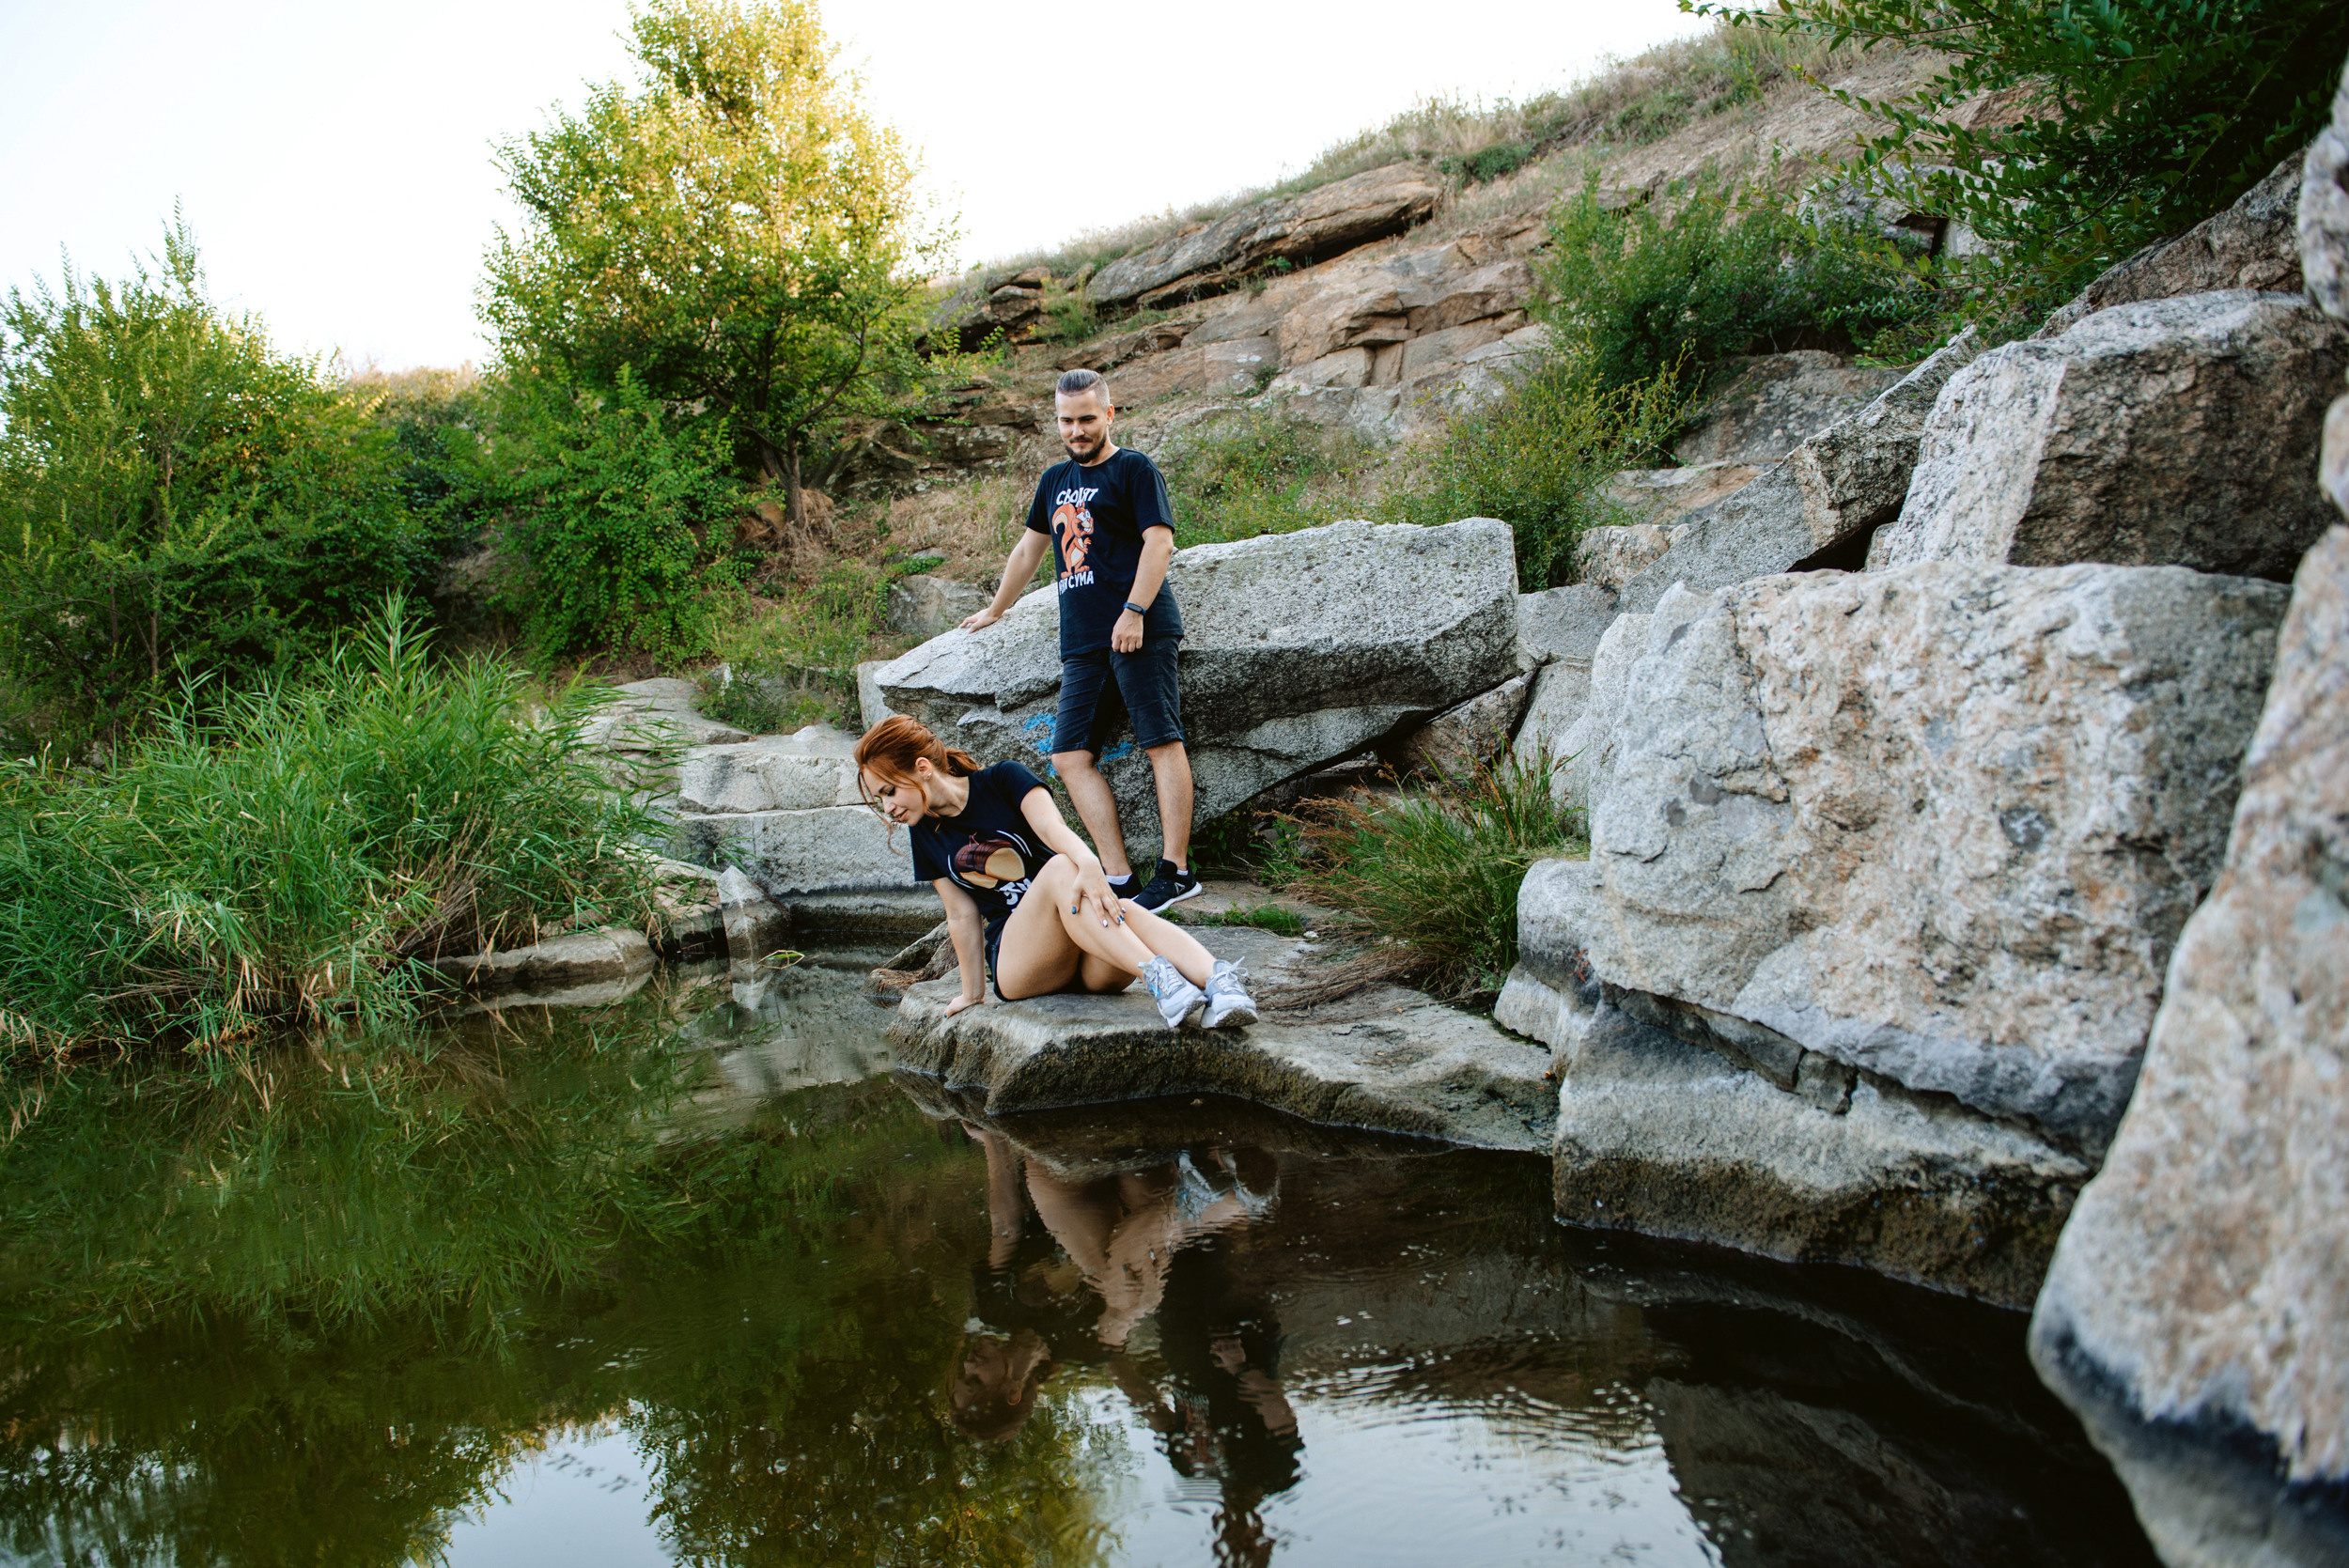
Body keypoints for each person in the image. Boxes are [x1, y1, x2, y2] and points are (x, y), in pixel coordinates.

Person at [957, 367, 1201, 912]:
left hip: (1140, 627)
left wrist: (1135, 611)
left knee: (1160, 740)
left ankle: (1177, 870)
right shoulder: (1053, 480)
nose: (1077, 430)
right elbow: (1028, 551)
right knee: (1069, 755)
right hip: (1084, 640)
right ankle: (1119, 877)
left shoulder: (1134, 469)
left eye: (1087, 419)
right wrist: (997, 609)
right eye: (1067, 421)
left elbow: (1158, 544)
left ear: (1109, 415)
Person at [854, 713, 1256, 1028]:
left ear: (922, 767)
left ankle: (1222, 985)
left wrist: (1088, 863)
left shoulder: (1003, 779)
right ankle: (1161, 979)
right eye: (881, 798)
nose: (888, 807)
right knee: (1064, 869)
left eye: (889, 791)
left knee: (1124, 911)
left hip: (1085, 951)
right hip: (1021, 963)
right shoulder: (924, 833)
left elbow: (1052, 827)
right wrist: (972, 993)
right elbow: (961, 915)